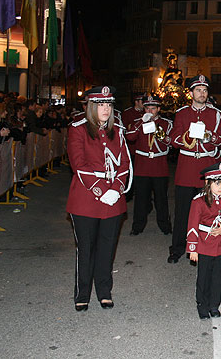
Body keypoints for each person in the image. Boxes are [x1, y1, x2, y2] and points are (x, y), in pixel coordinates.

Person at [66, 86, 132, 311]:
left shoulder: (118, 131)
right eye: (101, 104)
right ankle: (82, 292)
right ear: (91, 106)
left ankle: (104, 291)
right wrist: (101, 190)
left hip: (113, 198)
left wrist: (116, 189)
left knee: (107, 248)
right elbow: (79, 165)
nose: (106, 109)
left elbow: (124, 164)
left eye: (109, 104)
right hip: (86, 198)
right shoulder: (78, 129)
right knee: (86, 249)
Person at [168, 75, 221, 264]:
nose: (202, 94)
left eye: (205, 90)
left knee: (208, 211)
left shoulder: (215, 114)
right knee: (182, 211)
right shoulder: (182, 113)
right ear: (191, 93)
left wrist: (210, 137)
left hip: (207, 166)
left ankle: (206, 248)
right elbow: (174, 139)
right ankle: (177, 248)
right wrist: (188, 136)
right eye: (198, 90)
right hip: (186, 167)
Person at [187, 162, 221, 320]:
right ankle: (202, 305)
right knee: (204, 276)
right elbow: (193, 226)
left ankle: (214, 305)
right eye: (217, 183)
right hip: (204, 244)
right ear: (207, 183)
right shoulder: (199, 201)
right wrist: (193, 249)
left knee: (217, 277)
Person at [125, 94, 173, 236]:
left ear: (158, 109)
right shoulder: (137, 122)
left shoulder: (166, 123)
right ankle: (137, 226)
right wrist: (141, 122)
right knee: (140, 199)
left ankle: (165, 226)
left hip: (159, 166)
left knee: (161, 199)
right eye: (147, 108)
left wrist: (157, 130)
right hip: (142, 166)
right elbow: (130, 137)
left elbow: (170, 142)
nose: (150, 111)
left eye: (153, 108)